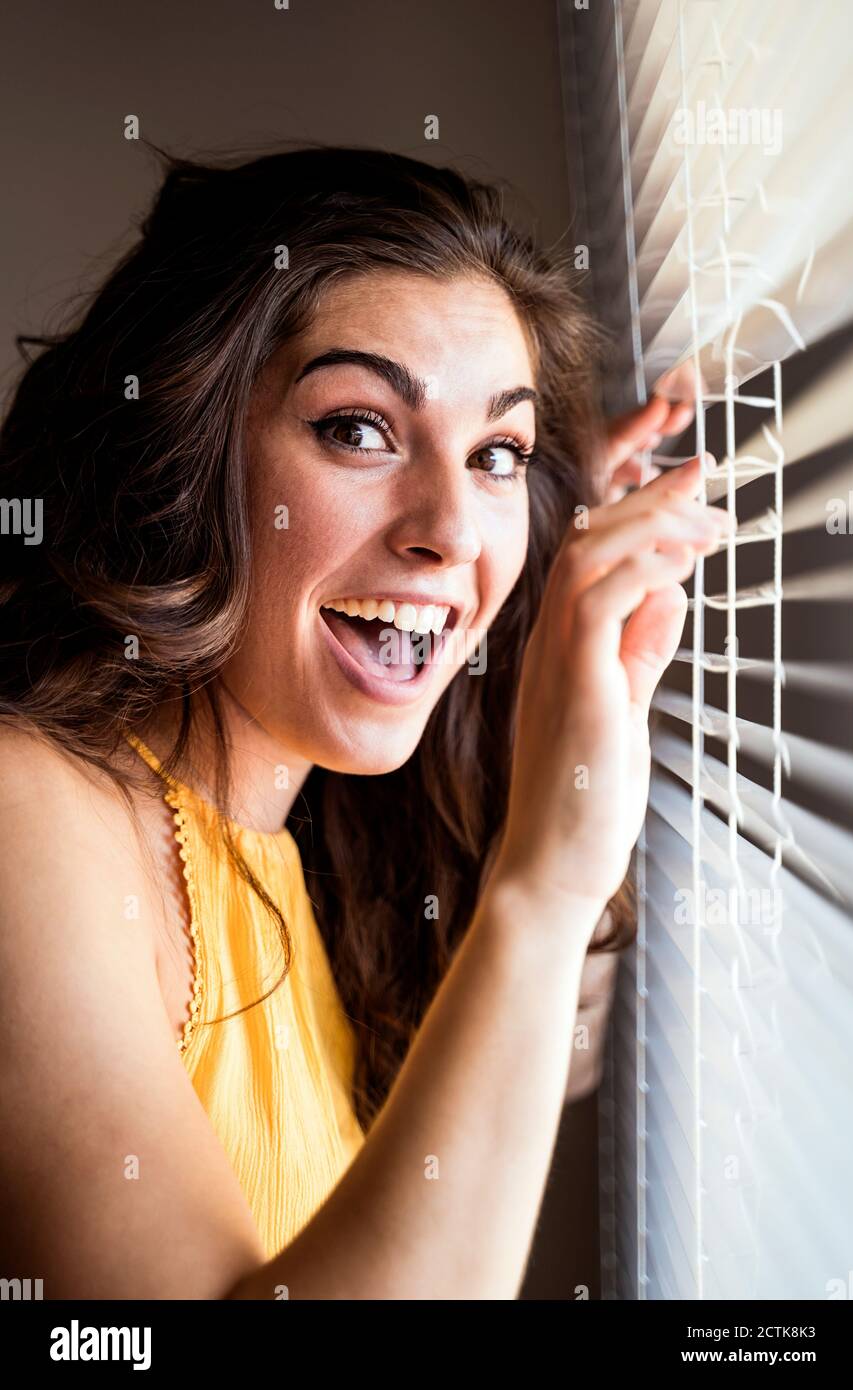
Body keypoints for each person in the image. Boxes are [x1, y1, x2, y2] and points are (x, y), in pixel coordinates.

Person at [0, 145, 725, 1299]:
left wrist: (534, 564)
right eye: (358, 429)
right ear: (184, 459)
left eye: (496, 452)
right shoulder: (28, 812)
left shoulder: (326, 849)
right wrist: (542, 880)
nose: (449, 527)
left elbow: (557, 1062)